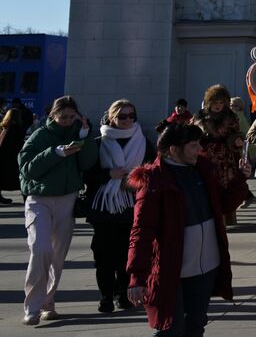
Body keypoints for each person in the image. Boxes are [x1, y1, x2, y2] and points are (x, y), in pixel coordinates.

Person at [127, 122, 235, 337]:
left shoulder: (202, 169)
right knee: (168, 331)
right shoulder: (154, 180)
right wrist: (136, 275)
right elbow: (141, 231)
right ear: (174, 149)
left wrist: (240, 177)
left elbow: (223, 204)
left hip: (205, 265)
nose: (199, 150)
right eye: (192, 146)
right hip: (171, 269)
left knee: (195, 328)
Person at [18, 96, 98, 324]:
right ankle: (32, 307)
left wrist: (85, 137)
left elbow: (87, 164)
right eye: (63, 117)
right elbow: (27, 168)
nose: (67, 121)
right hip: (39, 199)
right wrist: (55, 153)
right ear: (53, 115)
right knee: (40, 249)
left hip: (67, 199)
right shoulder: (39, 135)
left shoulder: (77, 133)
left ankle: (48, 302)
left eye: (72, 117)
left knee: (58, 256)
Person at [85, 99, 156, 314]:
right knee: (104, 255)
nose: (127, 120)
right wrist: (109, 175)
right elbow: (86, 174)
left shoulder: (144, 143)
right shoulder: (99, 143)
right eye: (122, 116)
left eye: (131, 116)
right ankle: (105, 295)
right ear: (112, 118)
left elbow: (152, 172)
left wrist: (134, 180)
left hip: (132, 206)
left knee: (128, 253)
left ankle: (121, 293)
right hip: (104, 208)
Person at [195, 104, 249, 227]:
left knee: (228, 187)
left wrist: (236, 141)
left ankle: (224, 220)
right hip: (207, 158)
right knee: (209, 188)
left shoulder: (230, 117)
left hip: (226, 159)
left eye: (220, 101)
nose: (218, 105)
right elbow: (194, 136)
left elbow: (238, 134)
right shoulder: (201, 118)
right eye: (215, 101)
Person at [0, 98, 29, 203]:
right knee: (21, 177)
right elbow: (19, 142)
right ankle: (26, 197)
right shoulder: (17, 128)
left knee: (3, 176)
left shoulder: (4, 127)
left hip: (3, 155)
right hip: (14, 156)